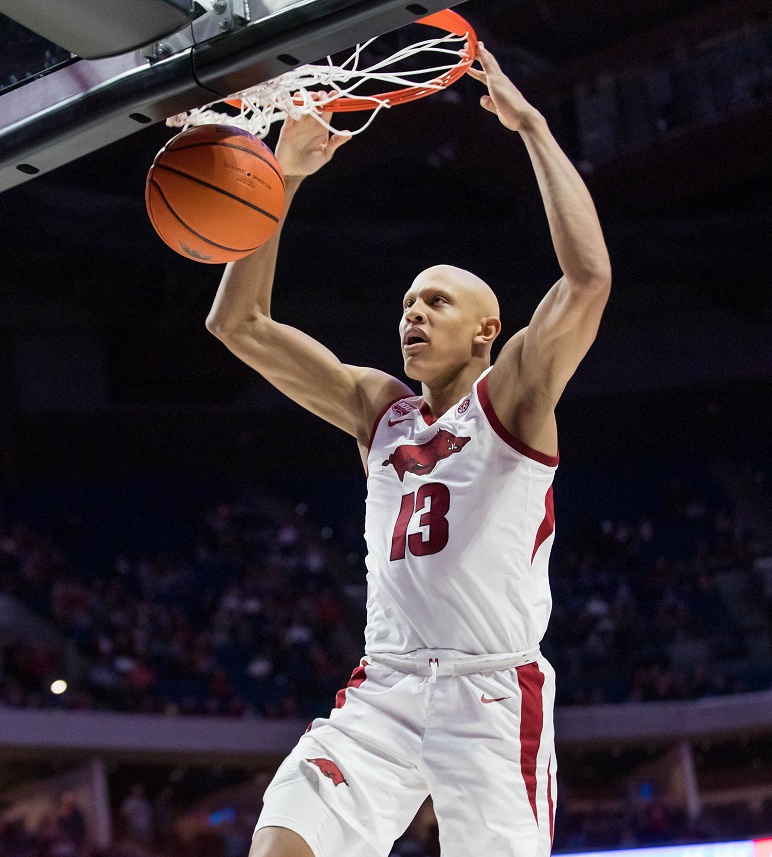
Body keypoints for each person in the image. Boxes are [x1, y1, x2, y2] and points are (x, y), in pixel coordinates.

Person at [206, 43, 611, 857]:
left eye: (435, 302)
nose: (412, 315)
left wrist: (531, 129)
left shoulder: (515, 397)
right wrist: (281, 177)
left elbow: (588, 280)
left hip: (490, 694)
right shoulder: (378, 411)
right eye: (406, 304)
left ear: (487, 330)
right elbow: (235, 323)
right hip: (385, 687)